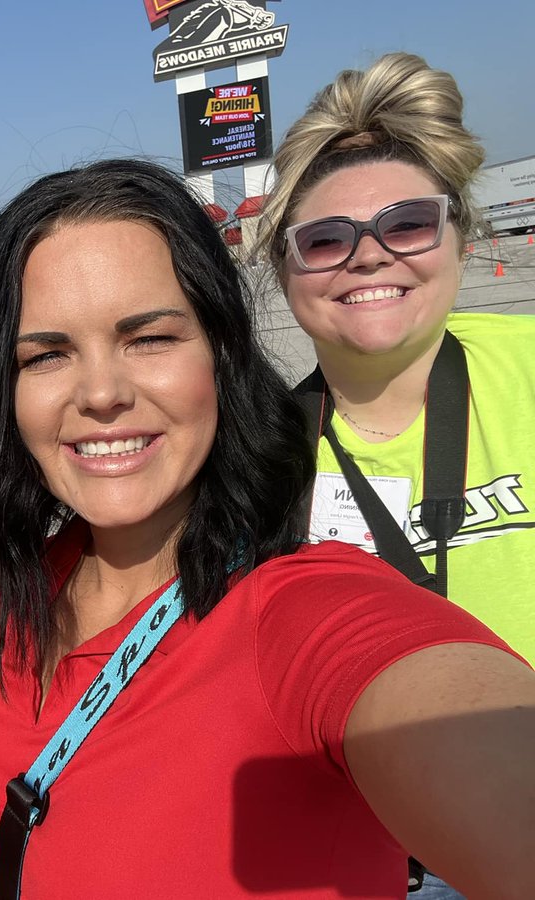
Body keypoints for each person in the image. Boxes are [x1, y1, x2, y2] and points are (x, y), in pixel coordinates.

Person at [0, 158, 535, 899]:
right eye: (48, 354)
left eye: (149, 338)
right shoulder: (23, 584)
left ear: (221, 355)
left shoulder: (296, 613)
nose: (100, 393)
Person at [257, 54, 535, 897]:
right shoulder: (256, 457)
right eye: (327, 239)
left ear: (462, 235)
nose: (369, 257)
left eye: (408, 224)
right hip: (361, 861)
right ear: (285, 269)